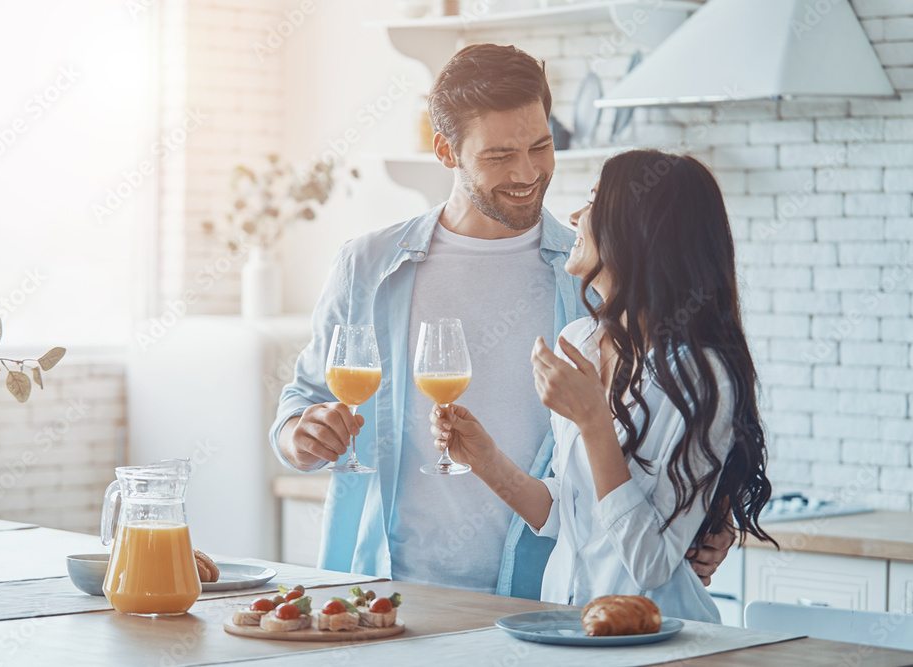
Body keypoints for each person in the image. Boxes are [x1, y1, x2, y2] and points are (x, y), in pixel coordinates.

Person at [270, 44, 732, 599]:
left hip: (542, 599)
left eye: (541, 146)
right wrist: (300, 435)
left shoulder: (590, 276)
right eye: (499, 155)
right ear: (446, 151)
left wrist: (708, 515)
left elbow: (675, 412)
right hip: (387, 592)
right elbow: (303, 399)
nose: (527, 173)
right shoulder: (369, 266)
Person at [428, 149, 776, 620]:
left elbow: (650, 563)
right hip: (566, 624)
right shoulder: (580, 342)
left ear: (641, 230)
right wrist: (485, 459)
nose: (574, 216)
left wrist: (594, 422)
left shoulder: (699, 375)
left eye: (594, 200)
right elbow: (566, 516)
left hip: (655, 637)